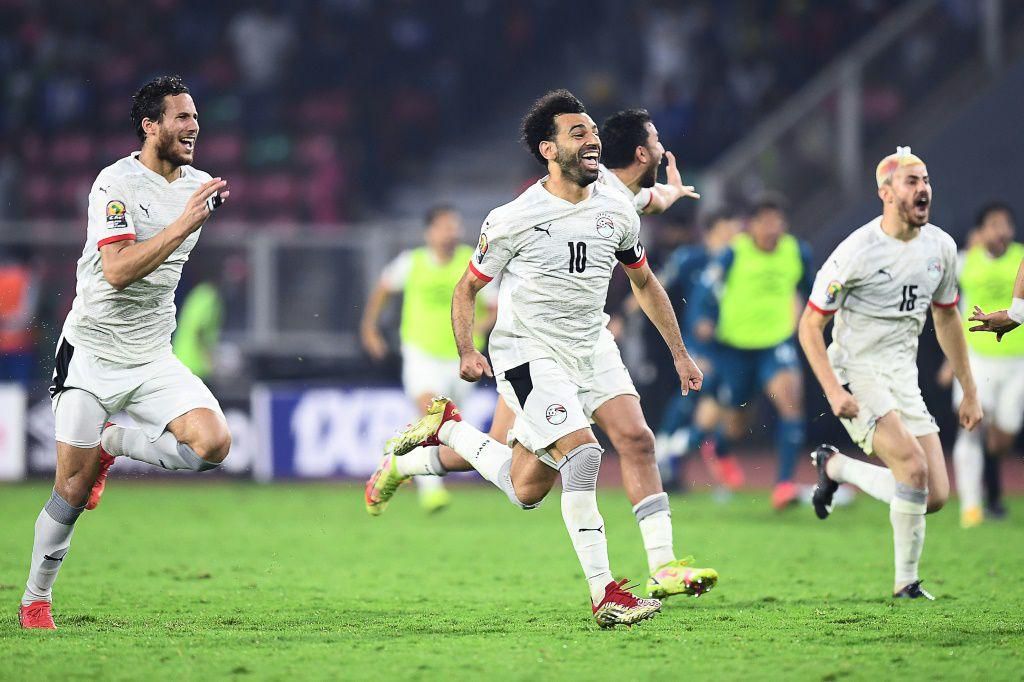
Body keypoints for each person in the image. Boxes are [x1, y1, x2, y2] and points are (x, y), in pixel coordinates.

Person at [367, 90, 714, 627]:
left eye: (593, 130)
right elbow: (466, 288)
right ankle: (605, 594)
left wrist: (680, 353)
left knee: (555, 475)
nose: (593, 139)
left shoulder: (614, 203)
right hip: (529, 352)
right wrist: (468, 350)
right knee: (584, 455)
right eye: (579, 133)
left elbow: (644, 279)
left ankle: (448, 431)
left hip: (590, 345)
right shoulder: (513, 218)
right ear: (549, 150)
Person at [19, 76, 232, 629]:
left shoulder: (200, 185)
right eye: (181, 117)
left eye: (195, 116)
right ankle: (35, 599)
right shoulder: (114, 184)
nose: (194, 126)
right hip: (91, 353)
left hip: (152, 355)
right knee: (71, 489)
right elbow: (115, 271)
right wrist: (185, 222)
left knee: (213, 446)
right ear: (150, 126)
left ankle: (114, 442)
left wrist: (195, 211)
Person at [799, 146, 982, 600]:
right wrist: (832, 390)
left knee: (934, 495)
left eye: (926, 180)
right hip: (855, 370)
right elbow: (809, 325)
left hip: (902, 375)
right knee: (912, 469)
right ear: (886, 192)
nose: (924, 189)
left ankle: (835, 466)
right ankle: (906, 583)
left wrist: (970, 390)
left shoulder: (941, 247)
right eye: (912, 181)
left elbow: (947, 316)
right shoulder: (856, 251)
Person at [360, 205, 496, 513]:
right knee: (433, 410)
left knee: (447, 427)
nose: (451, 233)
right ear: (429, 232)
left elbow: (493, 307)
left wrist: (479, 328)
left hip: (462, 358)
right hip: (421, 352)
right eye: (445, 226)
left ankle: (401, 456)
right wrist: (369, 328)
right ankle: (431, 491)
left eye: (455, 226)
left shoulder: (473, 261)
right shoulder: (412, 262)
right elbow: (383, 289)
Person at [695, 195, 813, 508]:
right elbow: (706, 288)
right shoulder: (734, 252)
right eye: (765, 221)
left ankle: (784, 485)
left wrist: (806, 319)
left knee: (791, 404)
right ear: (752, 225)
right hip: (736, 348)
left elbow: (810, 289)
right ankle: (720, 448)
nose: (771, 228)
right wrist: (703, 319)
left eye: (777, 221)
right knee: (737, 421)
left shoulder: (797, 251)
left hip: (776, 342)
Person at [942, 204, 1024, 524]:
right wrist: (951, 359)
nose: (1000, 230)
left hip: (1017, 363)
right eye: (993, 224)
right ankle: (971, 506)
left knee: (1003, 436)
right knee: (971, 427)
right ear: (980, 232)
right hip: (977, 359)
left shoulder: (1020, 259)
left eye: (1005, 224)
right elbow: (949, 310)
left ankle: (992, 491)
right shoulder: (964, 262)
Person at [654, 209, 742, 490]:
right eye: (729, 230)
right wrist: (623, 315)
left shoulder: (741, 260)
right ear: (713, 231)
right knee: (692, 396)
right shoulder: (691, 258)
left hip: (735, 348)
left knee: (729, 410)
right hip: (698, 345)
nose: (735, 236)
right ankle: (666, 451)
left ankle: (676, 450)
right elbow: (653, 284)